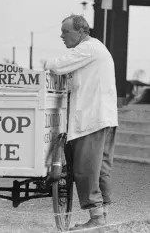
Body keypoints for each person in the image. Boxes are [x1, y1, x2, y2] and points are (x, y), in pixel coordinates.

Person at [44, 14, 118, 232]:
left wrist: (44, 64)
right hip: (104, 117)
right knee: (101, 168)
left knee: (85, 169)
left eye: (65, 32)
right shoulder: (96, 49)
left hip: (92, 119)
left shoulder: (88, 49)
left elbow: (58, 66)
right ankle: (102, 216)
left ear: (81, 31)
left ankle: (96, 218)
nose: (62, 36)